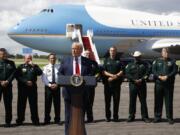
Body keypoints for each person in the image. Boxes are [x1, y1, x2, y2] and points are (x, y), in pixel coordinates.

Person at [59, 42, 93, 135]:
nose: (73, 50)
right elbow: (60, 75)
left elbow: (90, 76)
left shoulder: (87, 62)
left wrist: (83, 79)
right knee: (68, 116)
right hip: (68, 93)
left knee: (81, 116)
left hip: (82, 94)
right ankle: (67, 133)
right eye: (72, 49)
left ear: (81, 50)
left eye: (76, 49)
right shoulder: (65, 60)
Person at [152, 48, 177, 124]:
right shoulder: (156, 61)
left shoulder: (172, 61)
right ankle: (157, 117)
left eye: (167, 52)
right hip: (159, 84)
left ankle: (169, 118)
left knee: (169, 101)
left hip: (168, 85)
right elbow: (153, 70)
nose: (166, 53)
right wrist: (159, 76)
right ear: (161, 53)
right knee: (158, 101)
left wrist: (167, 76)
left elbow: (174, 71)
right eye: (164, 52)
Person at [16, 54, 42, 126]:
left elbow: (40, 73)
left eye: (30, 58)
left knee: (33, 105)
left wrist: (34, 65)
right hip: (22, 89)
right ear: (24, 59)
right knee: (21, 105)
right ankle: (20, 120)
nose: (29, 60)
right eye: (27, 58)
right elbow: (17, 76)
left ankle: (35, 120)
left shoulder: (35, 66)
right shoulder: (20, 67)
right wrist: (25, 82)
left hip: (32, 89)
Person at [125, 51, 151, 123]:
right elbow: (127, 74)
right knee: (132, 101)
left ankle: (145, 117)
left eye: (138, 57)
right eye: (136, 57)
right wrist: (134, 80)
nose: (137, 58)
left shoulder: (145, 64)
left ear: (140, 57)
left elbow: (148, 72)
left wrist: (142, 79)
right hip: (133, 85)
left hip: (142, 85)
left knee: (143, 101)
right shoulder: (130, 65)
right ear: (134, 57)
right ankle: (131, 116)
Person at [102, 46, 124, 122]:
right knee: (107, 102)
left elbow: (122, 71)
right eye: (111, 50)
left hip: (117, 85)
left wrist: (116, 76)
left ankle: (115, 116)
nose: (112, 52)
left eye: (114, 50)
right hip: (108, 85)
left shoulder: (119, 61)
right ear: (109, 51)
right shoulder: (106, 60)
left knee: (116, 101)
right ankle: (108, 116)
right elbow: (104, 71)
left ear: (116, 52)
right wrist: (112, 75)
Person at [42, 53, 61, 125]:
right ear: (48, 59)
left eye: (54, 58)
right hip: (48, 87)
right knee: (47, 103)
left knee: (57, 104)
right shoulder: (45, 67)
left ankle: (57, 119)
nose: (53, 59)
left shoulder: (59, 67)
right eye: (51, 58)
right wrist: (50, 85)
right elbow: (44, 78)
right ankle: (47, 119)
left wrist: (57, 84)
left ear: (56, 59)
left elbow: (61, 77)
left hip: (57, 86)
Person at [0, 48, 16, 127]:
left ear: (6, 54)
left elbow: (13, 73)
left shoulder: (11, 63)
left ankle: (8, 122)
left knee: (8, 104)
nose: (2, 55)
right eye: (1, 54)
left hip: (8, 86)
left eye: (4, 54)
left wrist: (7, 81)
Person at [83, 50, 99, 123]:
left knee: (90, 101)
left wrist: (95, 78)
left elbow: (98, 72)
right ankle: (81, 118)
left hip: (91, 85)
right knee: (82, 102)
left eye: (89, 54)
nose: (88, 55)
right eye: (86, 54)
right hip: (82, 85)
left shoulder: (94, 63)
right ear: (83, 54)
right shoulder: (81, 63)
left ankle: (90, 118)